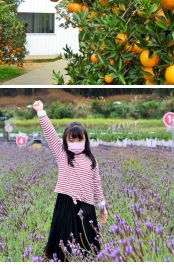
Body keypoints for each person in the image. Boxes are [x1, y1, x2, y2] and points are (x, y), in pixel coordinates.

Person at [33, 100, 107, 261]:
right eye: (71, 141)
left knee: (86, 236)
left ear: (85, 140)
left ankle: (87, 258)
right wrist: (41, 112)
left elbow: (96, 183)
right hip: (66, 201)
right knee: (65, 233)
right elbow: (51, 135)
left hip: (86, 204)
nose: (75, 144)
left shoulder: (91, 160)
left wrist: (102, 205)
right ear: (66, 142)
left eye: (79, 140)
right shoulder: (63, 156)